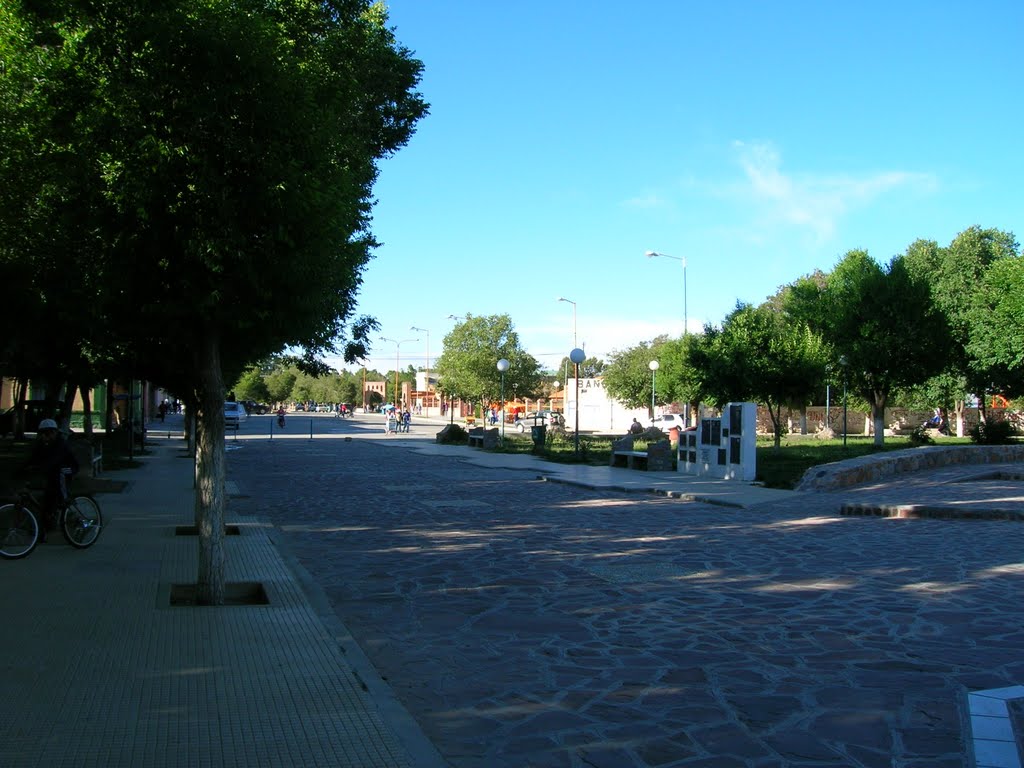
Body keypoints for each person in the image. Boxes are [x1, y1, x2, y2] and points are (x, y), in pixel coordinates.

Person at [24, 419, 79, 541]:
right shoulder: (42, 444)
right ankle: (44, 529)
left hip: (69, 468)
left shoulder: (61, 444)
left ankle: (64, 500)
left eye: (48, 433)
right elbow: (32, 458)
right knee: (47, 500)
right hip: (52, 470)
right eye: (42, 434)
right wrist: (22, 470)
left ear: (54, 433)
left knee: (59, 474)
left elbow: (54, 461)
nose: (45, 436)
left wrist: (42, 468)